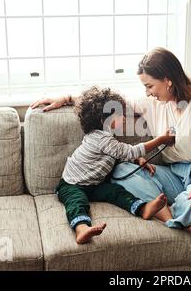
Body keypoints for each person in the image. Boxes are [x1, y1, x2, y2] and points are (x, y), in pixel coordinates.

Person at [31, 47, 191, 239]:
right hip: (179, 175)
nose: (147, 92)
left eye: (149, 85)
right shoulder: (154, 103)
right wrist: (68, 97)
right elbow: (105, 106)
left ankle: (181, 215)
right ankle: (182, 217)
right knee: (122, 170)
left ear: (168, 80)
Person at [48, 86, 174, 244]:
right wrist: (160, 139)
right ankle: (81, 229)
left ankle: (143, 209)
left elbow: (115, 155)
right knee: (77, 202)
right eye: (119, 115)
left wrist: (136, 160)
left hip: (95, 185)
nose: (124, 118)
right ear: (103, 120)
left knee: (117, 192)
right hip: (72, 185)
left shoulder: (108, 138)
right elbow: (128, 151)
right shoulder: (100, 138)